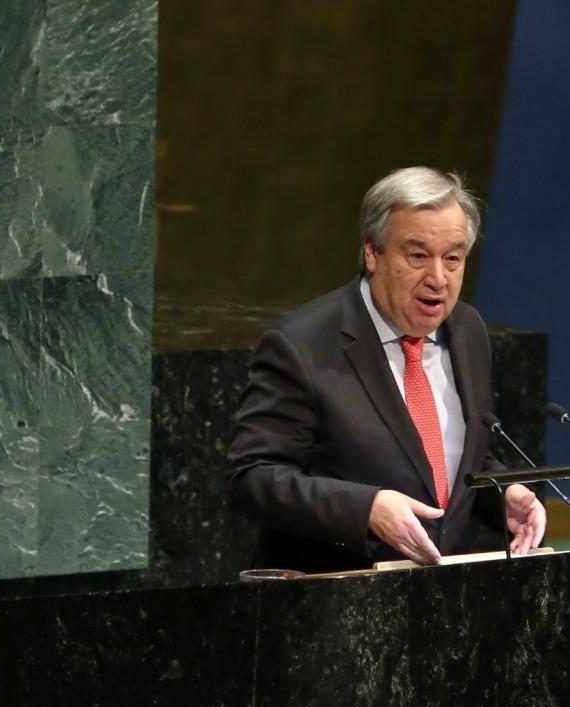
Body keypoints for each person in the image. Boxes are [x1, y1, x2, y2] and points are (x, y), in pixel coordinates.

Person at [226, 167, 545, 571]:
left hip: (441, 598)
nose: (438, 278)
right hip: (334, 602)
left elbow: (456, 459)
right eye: (417, 255)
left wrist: (502, 494)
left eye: (453, 258)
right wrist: (367, 509)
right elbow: (251, 479)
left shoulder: (467, 330)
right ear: (372, 253)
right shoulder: (303, 345)